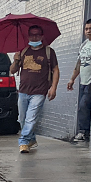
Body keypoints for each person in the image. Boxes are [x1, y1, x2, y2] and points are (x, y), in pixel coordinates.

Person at [12, 24, 59, 153]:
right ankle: (31, 139)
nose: (34, 37)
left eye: (37, 34)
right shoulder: (23, 51)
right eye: (32, 35)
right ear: (28, 36)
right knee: (22, 118)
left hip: (39, 91)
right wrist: (16, 61)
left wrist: (53, 88)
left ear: (42, 36)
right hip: (23, 91)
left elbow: (55, 70)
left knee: (31, 118)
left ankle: (24, 142)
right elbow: (12, 70)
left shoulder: (49, 52)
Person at [65, 20, 91, 144]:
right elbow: (79, 63)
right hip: (83, 82)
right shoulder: (84, 44)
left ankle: (84, 131)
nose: (88, 31)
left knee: (83, 105)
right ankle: (85, 131)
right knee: (82, 106)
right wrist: (72, 79)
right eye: (86, 29)